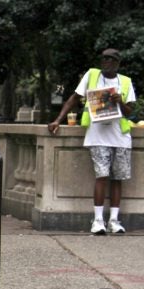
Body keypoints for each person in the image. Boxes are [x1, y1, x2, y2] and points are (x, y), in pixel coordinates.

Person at [48, 48, 137, 235]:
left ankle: (114, 220)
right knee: (101, 176)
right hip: (97, 136)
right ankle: (97, 221)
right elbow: (74, 98)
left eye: (112, 59)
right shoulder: (92, 75)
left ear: (118, 63)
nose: (107, 62)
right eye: (104, 58)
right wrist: (58, 120)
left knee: (118, 179)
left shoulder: (126, 82)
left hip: (120, 137)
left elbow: (130, 112)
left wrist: (119, 101)